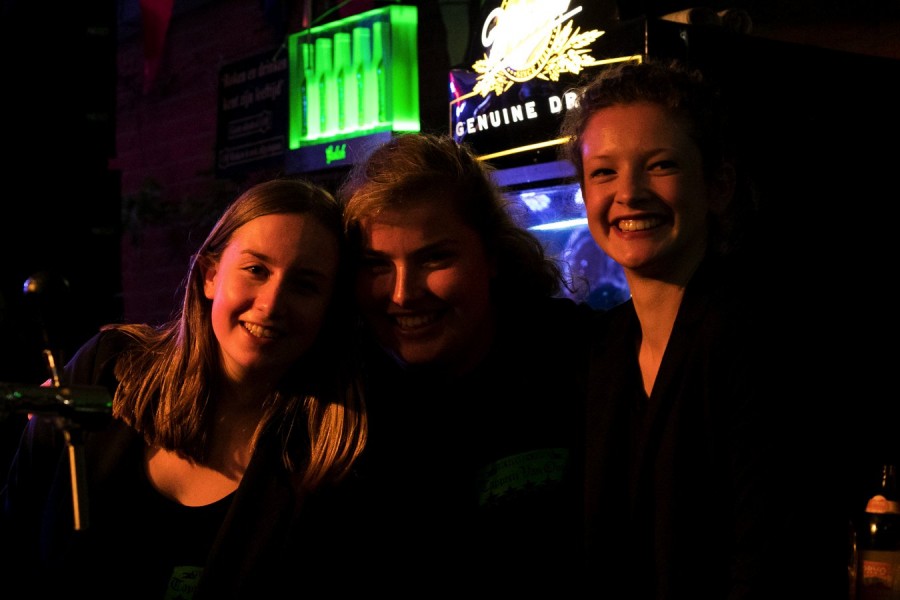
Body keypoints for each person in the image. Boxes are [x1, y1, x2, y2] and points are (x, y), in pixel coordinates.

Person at [559, 58, 847, 598]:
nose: (629, 193)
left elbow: (772, 563)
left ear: (719, 186)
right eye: (603, 172)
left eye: (660, 165)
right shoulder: (606, 347)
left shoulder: (759, 336)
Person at [0, 178, 367, 598]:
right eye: (256, 270)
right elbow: (13, 529)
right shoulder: (109, 369)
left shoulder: (334, 454)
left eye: (305, 284)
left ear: (329, 308)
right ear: (210, 275)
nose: (271, 303)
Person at [338, 132, 594, 594]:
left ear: (491, 255)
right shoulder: (344, 414)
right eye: (376, 265)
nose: (403, 293)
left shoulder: (581, 359)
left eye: (435, 258)